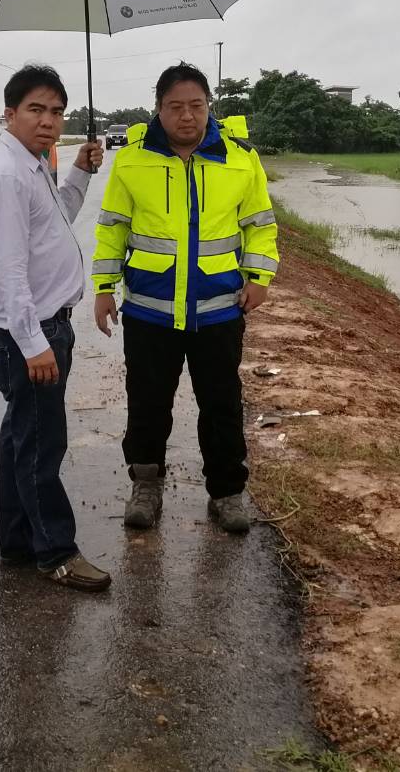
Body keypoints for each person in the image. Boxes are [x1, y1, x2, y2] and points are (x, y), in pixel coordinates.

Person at [93, 63, 280, 535]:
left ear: (209, 107)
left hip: (219, 309)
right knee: (147, 402)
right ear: (158, 109)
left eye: (196, 105)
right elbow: (112, 228)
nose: (187, 116)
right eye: (175, 106)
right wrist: (103, 288)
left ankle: (227, 492)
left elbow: (260, 225)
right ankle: (146, 485)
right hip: (149, 310)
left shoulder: (240, 159)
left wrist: (259, 278)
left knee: (221, 403)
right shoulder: (131, 160)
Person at [0, 65, 110, 592]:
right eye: (36, 109)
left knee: (20, 439)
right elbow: (7, 271)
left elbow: (56, 221)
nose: (48, 121)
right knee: (40, 446)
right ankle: (56, 551)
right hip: (31, 334)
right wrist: (34, 344)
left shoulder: (30, 165)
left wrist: (80, 173)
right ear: (9, 114)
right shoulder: (8, 176)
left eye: (56, 111)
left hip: (41, 328)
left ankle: (18, 543)